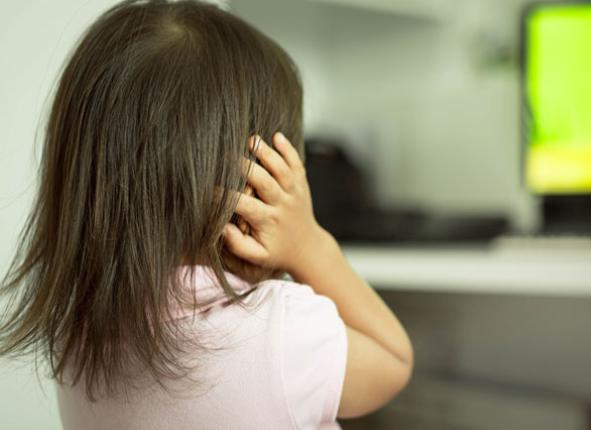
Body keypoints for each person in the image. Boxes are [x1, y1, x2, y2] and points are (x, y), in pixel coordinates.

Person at [0, 1, 413, 428]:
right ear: (257, 188)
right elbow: (393, 360)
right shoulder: (281, 334)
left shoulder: (77, 329)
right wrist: (310, 246)